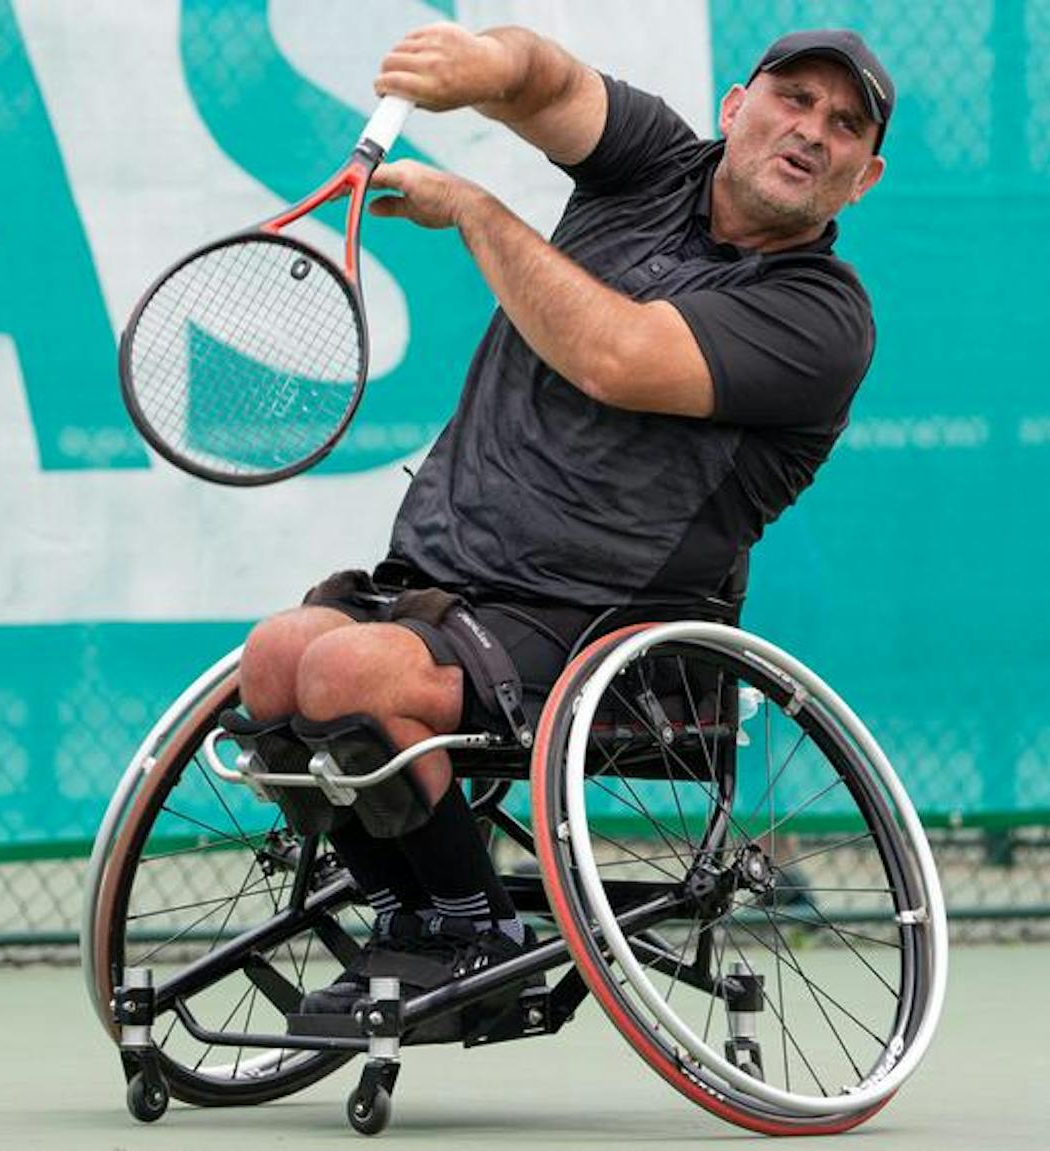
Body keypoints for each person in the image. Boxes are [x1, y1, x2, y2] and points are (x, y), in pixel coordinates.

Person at [232, 21, 894, 1022]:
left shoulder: (821, 316)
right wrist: (477, 68)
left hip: (605, 625)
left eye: (842, 125)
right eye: (791, 100)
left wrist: (474, 212)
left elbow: (616, 356)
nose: (811, 130)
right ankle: (403, 918)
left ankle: (474, 924)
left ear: (863, 177)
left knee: (344, 675)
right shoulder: (655, 164)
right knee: (278, 657)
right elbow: (548, 83)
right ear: (735, 108)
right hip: (448, 577)